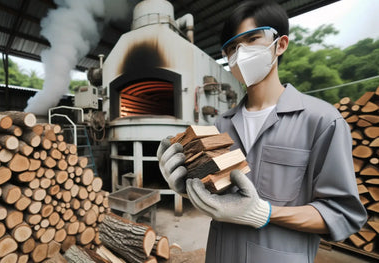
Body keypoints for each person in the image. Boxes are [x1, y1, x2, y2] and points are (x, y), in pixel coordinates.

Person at [157, 1, 367, 262]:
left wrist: (265, 212)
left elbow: (343, 214)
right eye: (232, 48)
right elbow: (219, 197)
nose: (240, 53)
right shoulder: (221, 126)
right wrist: (188, 187)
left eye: (252, 39)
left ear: (280, 44)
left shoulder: (322, 121)